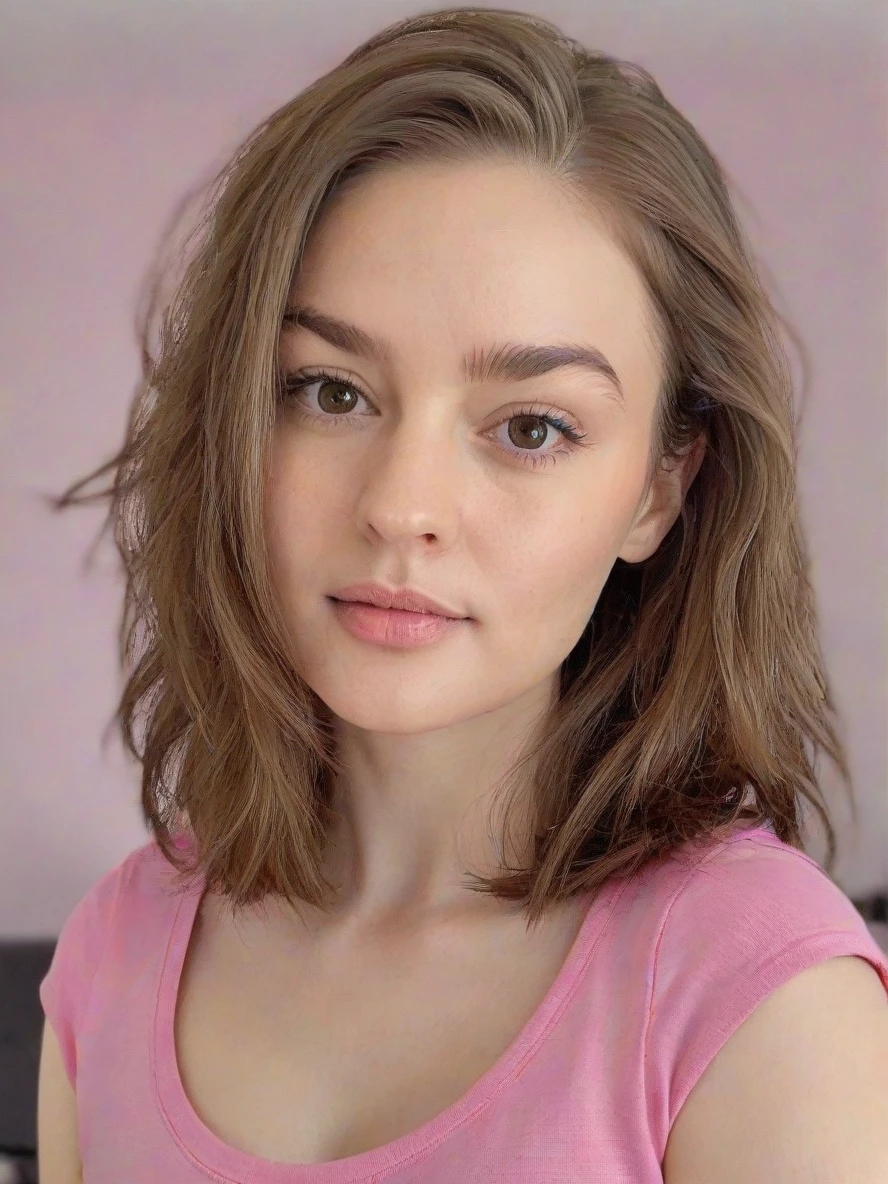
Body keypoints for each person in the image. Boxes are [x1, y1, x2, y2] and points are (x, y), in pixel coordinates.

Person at [36, 7, 888, 1182]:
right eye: (331, 392)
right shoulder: (113, 951)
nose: (401, 503)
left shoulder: (762, 1002)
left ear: (658, 488)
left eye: (531, 427)